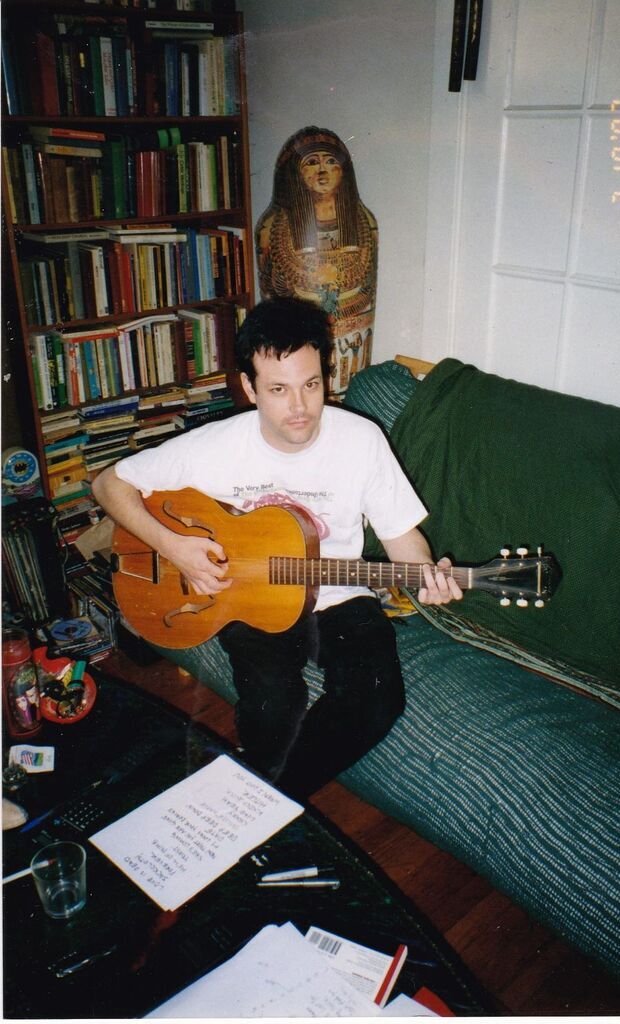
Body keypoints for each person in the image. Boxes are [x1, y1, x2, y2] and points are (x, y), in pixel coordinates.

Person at [92, 297, 461, 801]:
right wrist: (173, 547)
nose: (300, 408)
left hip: (339, 594)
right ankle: (263, 800)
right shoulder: (216, 445)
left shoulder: (361, 440)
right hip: (247, 594)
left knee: (377, 699)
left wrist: (427, 575)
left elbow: (401, 538)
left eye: (311, 385)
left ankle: (262, 801)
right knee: (272, 706)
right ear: (249, 388)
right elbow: (108, 484)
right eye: (278, 389)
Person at [255, 126, 378, 396]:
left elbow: (367, 291)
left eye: (331, 161)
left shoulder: (364, 222)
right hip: (298, 337)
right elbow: (274, 297)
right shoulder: (273, 226)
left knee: (348, 388)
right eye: (311, 163)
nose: (322, 171)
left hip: (352, 336)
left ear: (344, 171)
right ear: (293, 173)